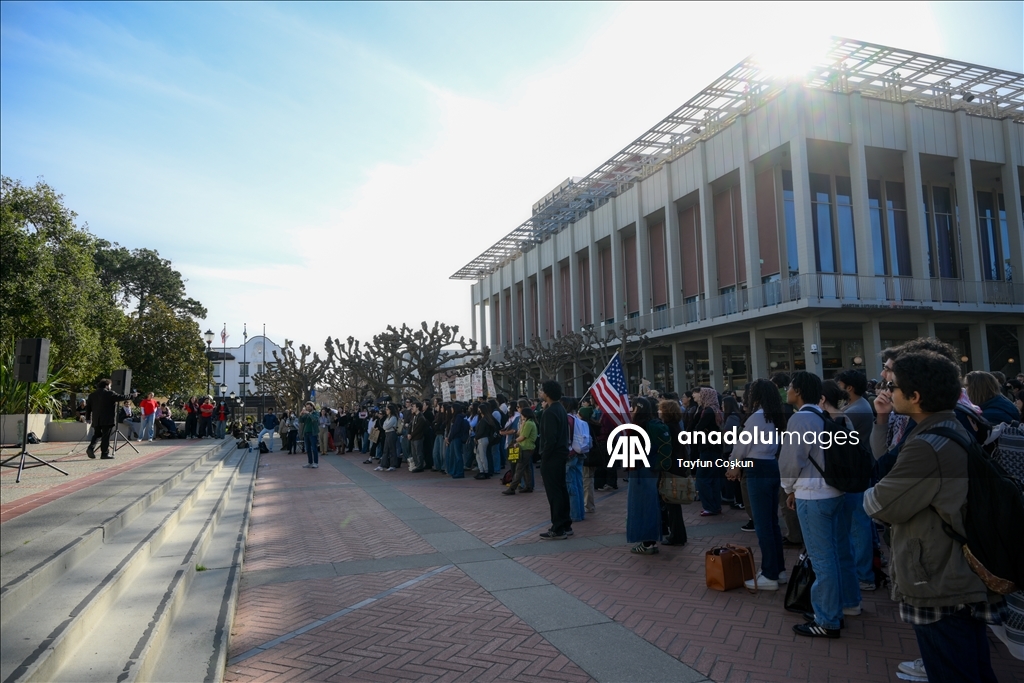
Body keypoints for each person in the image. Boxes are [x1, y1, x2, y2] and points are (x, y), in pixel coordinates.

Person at [865, 351, 1004, 682]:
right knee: (971, 665)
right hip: (957, 567)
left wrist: (874, 492)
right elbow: (885, 463)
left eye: (894, 385)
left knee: (953, 668)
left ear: (915, 395)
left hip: (939, 573)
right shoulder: (950, 425)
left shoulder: (927, 443)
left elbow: (880, 503)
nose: (887, 389)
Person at [781, 371, 860, 638]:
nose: (787, 392)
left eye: (790, 387)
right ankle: (845, 604)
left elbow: (792, 461)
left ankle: (826, 619)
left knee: (821, 558)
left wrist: (788, 488)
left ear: (799, 391)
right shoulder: (828, 416)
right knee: (839, 551)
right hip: (835, 491)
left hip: (812, 495)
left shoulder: (800, 419)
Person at [728, 379, 787, 589]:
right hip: (772, 465)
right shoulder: (775, 416)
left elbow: (742, 445)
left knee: (762, 524)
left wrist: (733, 465)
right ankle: (778, 569)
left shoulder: (756, 417)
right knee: (771, 522)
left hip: (756, 468)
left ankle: (770, 574)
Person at [626, 397, 670, 554]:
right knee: (650, 504)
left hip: (640, 470)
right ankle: (650, 540)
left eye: (632, 407)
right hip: (650, 469)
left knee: (642, 506)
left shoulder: (639, 426)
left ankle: (647, 542)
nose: (630, 410)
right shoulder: (653, 424)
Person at [538, 380, 572, 540]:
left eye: (541, 389)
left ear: (547, 393)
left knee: (554, 492)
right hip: (561, 454)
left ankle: (557, 527)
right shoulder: (560, 409)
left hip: (552, 456)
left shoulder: (550, 412)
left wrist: (544, 458)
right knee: (561, 489)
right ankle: (565, 523)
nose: (539, 392)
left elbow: (549, 440)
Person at [657, 399, 689, 546]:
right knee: (673, 504)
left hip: (672, 469)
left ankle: (677, 535)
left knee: (672, 503)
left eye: (661, 409)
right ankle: (678, 534)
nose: (659, 412)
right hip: (678, 467)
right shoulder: (676, 426)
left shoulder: (668, 428)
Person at [693, 387, 724, 517]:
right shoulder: (716, 409)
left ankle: (709, 506)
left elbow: (698, 427)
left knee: (702, 478)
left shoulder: (708, 411)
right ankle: (716, 505)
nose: (699, 397)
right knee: (713, 479)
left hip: (707, 448)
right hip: (715, 448)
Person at [85, 379, 135, 459]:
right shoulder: (110, 393)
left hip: (96, 419)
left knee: (97, 434)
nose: (110, 387)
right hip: (107, 419)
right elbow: (121, 397)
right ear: (107, 385)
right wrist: (132, 395)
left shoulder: (92, 395)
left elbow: (88, 408)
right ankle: (104, 453)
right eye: (110, 386)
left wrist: (88, 418)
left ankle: (90, 448)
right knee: (106, 436)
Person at [503, 401, 536, 495]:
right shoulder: (527, 422)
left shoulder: (529, 423)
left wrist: (515, 441)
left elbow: (522, 436)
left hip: (526, 447)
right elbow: (519, 432)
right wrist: (522, 423)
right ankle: (529, 486)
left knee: (519, 468)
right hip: (526, 447)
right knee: (526, 469)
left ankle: (512, 487)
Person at [376, 404, 401, 471]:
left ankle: (393, 465)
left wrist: (386, 426)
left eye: (387, 409)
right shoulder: (388, 418)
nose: (386, 411)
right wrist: (385, 426)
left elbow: (386, 426)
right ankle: (383, 464)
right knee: (385, 449)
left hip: (392, 433)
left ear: (390, 410)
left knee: (392, 449)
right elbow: (384, 425)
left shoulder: (393, 418)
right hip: (387, 433)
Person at [299, 402, 320, 468]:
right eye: (306, 407)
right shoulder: (306, 414)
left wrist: (309, 414)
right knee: (307, 448)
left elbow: (315, 419)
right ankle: (310, 462)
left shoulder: (316, 413)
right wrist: (300, 415)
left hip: (313, 432)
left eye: (309, 407)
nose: (307, 409)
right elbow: (301, 421)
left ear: (312, 407)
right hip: (306, 432)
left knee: (314, 448)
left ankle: (316, 462)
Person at [408, 402, 427, 472]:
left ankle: (420, 466)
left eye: (414, 406)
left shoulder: (421, 417)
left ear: (418, 408)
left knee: (418, 452)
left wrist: (411, 434)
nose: (412, 408)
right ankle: (416, 465)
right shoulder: (414, 416)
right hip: (413, 437)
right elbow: (411, 426)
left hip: (418, 437)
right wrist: (409, 433)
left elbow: (418, 428)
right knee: (414, 452)